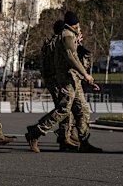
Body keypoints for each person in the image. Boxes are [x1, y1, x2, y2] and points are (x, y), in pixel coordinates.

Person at [25, 11, 102, 153]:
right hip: (66, 79)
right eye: (78, 25)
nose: (79, 28)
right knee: (63, 110)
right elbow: (71, 58)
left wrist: (85, 76)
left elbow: (77, 58)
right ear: (74, 24)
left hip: (74, 79)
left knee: (83, 110)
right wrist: (86, 75)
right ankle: (34, 133)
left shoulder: (71, 36)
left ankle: (84, 141)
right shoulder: (66, 35)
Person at [40, 20, 79, 150]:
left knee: (64, 108)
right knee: (64, 109)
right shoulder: (58, 42)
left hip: (51, 78)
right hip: (56, 79)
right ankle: (63, 136)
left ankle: (68, 135)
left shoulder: (50, 42)